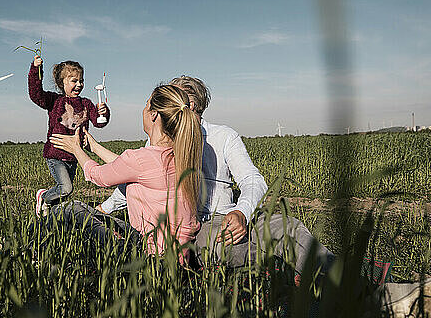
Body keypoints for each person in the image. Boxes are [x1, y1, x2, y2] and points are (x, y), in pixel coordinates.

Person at [97, 76, 334, 274]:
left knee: (288, 227)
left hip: (229, 215)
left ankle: (347, 286)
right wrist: (105, 209)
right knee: (245, 247)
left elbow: (252, 179)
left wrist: (241, 211)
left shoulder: (223, 137)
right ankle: (287, 272)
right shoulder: (158, 140)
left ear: (196, 110)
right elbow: (134, 182)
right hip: (197, 229)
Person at [48, 84, 203, 260]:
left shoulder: (141, 159)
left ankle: (33, 253)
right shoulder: (181, 154)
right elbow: (128, 167)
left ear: (154, 115)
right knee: (84, 209)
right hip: (179, 255)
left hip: (150, 255)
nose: (143, 110)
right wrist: (94, 147)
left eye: (146, 105)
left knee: (69, 208)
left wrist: (76, 149)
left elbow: (98, 176)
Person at [28, 55, 110, 216]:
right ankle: (43, 197)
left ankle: (51, 215)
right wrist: (36, 69)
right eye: (74, 80)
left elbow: (99, 123)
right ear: (62, 83)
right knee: (66, 188)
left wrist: (104, 112)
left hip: (73, 157)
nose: (79, 84)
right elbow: (35, 94)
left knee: (64, 193)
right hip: (56, 154)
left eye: (81, 80)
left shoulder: (86, 103)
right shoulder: (54, 101)